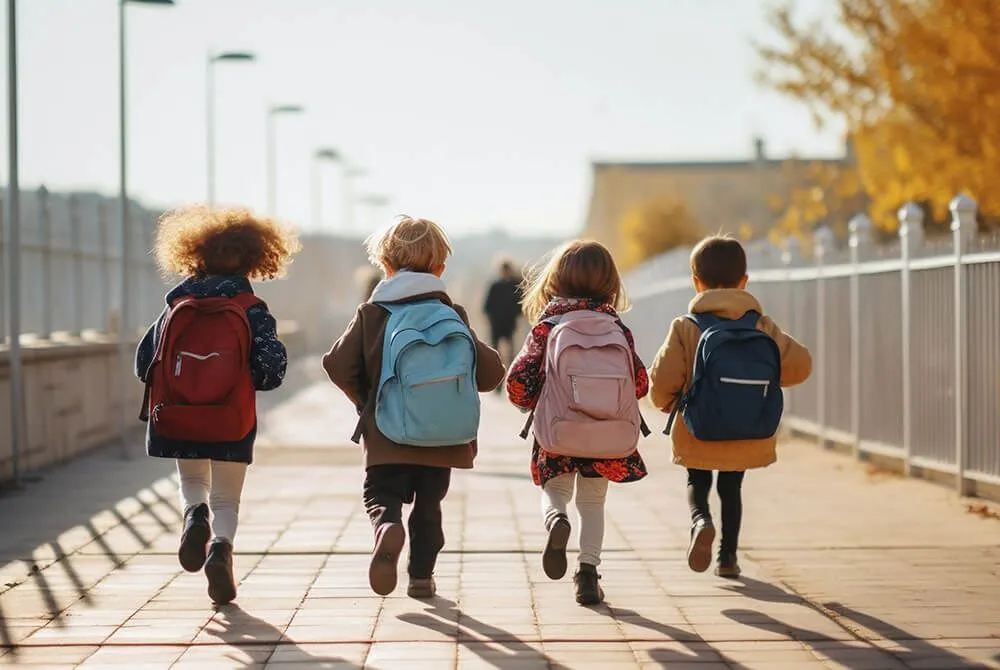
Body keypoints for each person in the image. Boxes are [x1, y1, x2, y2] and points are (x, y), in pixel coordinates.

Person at [322, 216, 504, 599]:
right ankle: (421, 577)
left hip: (386, 436)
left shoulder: (371, 314)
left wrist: (366, 402)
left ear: (385, 265)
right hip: (442, 437)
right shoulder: (451, 314)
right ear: (440, 267)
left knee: (381, 494)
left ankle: (387, 526)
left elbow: (336, 365)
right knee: (429, 507)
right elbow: (491, 374)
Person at [135, 205, 298, 605]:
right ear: (255, 258)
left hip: (179, 417)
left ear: (194, 254)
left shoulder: (175, 306)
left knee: (194, 484)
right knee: (227, 498)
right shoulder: (252, 309)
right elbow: (270, 372)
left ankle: (194, 517)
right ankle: (221, 548)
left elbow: (144, 365)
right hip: (231, 418)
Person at [648, 235, 812, 578]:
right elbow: (801, 365)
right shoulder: (762, 326)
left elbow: (663, 380)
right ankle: (727, 558)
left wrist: (664, 404)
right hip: (747, 426)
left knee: (697, 480)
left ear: (696, 282)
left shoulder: (686, 327)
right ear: (744, 281)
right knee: (731, 488)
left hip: (699, 427)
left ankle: (700, 520)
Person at [506, 240, 649, 605]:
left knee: (555, 491)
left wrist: (531, 401)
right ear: (610, 283)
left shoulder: (549, 326)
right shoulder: (616, 327)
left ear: (556, 280)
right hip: (606, 434)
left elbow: (518, 383)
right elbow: (640, 383)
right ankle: (587, 575)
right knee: (594, 503)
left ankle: (556, 521)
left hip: (559, 429)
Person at [483, 259, 522, 366]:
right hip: (496, 323)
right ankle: (496, 371)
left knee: (510, 350)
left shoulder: (514, 285)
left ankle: (510, 369)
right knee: (495, 350)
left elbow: (520, 304)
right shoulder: (495, 286)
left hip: (509, 323)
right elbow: (487, 305)